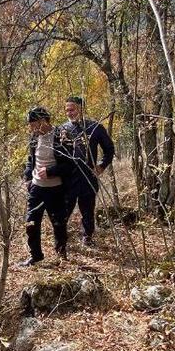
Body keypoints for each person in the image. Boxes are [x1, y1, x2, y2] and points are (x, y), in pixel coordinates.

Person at [22, 106, 75, 267]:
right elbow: (31, 160)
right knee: (31, 223)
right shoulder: (34, 138)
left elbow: (71, 164)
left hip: (56, 189)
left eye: (33, 124)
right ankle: (36, 256)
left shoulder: (62, 136)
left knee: (58, 223)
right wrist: (28, 177)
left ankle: (61, 254)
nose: (31, 128)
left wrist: (51, 171)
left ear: (43, 121)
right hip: (36, 188)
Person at [59, 95, 115, 247]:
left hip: (88, 177)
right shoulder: (62, 130)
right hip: (67, 179)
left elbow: (109, 149)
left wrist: (101, 166)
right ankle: (61, 240)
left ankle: (87, 238)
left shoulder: (95, 128)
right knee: (63, 211)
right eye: (67, 110)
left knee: (88, 211)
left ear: (81, 109)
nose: (69, 113)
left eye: (72, 109)